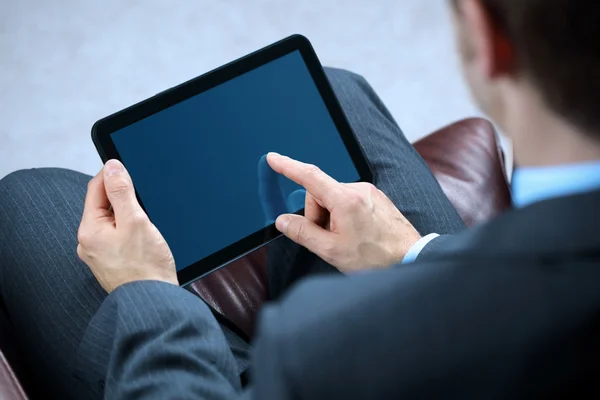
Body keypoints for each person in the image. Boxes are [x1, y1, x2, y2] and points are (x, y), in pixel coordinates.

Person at [1, 0, 599, 397]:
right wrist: (418, 254)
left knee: (26, 200)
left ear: (486, 35)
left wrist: (146, 292)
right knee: (330, 95)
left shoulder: (307, 346)